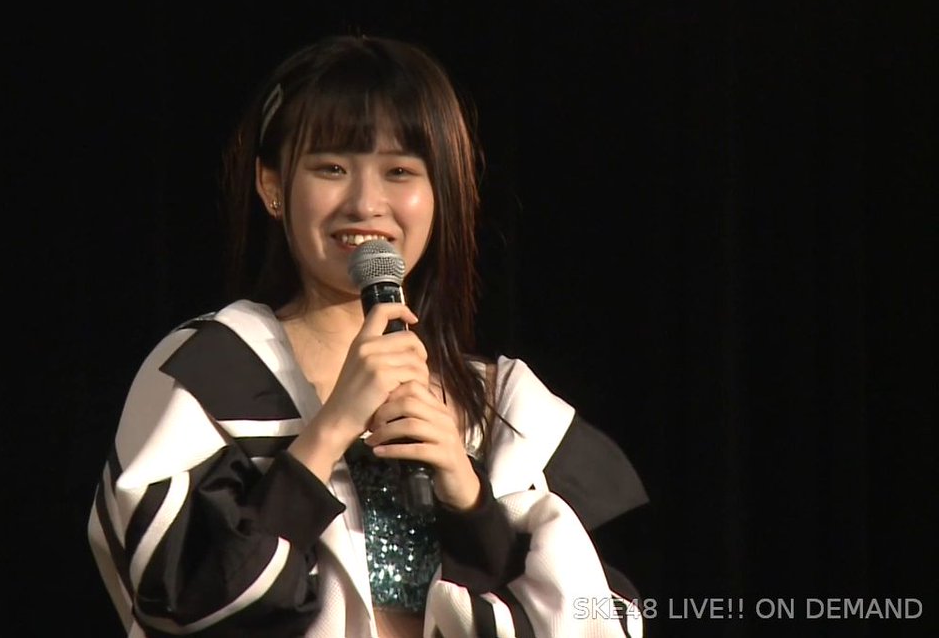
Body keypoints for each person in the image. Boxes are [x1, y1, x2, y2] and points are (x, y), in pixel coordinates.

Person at [88, 35, 647, 638]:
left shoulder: (505, 405)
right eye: (332, 168)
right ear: (271, 186)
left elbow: (591, 614)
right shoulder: (213, 371)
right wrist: (330, 428)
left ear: (441, 194)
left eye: (400, 171)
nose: (365, 203)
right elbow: (183, 600)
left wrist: (468, 497)